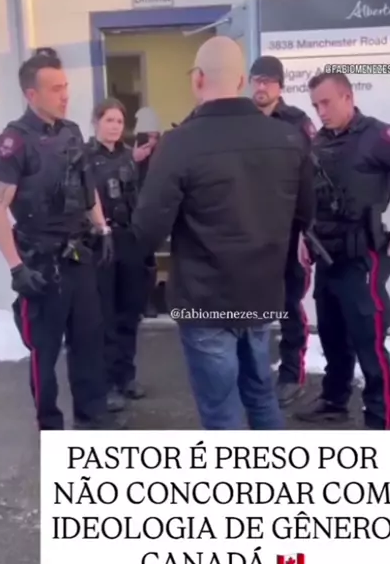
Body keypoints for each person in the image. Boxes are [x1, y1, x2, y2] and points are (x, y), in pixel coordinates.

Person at [132, 36, 315, 430]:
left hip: (205, 298)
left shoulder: (179, 144)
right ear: (241, 81)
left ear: (198, 78)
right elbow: (306, 213)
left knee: (220, 411)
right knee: (261, 395)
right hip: (261, 292)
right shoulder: (287, 139)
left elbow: (147, 229)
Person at [295, 72, 390, 430]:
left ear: (348, 97)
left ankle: (378, 421)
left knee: (369, 343)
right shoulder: (319, 141)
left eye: (326, 102)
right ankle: (334, 402)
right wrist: (302, 237)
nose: (320, 111)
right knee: (332, 336)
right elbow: (310, 196)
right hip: (326, 255)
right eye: (315, 105)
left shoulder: (378, 135)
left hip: (363, 257)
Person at [0, 48, 120, 431]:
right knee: (43, 353)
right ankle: (51, 427)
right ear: (32, 94)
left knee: (88, 342)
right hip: (41, 266)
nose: (65, 95)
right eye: (56, 89)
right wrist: (16, 268)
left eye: (66, 87)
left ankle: (92, 418)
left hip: (78, 256)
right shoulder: (13, 142)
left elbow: (86, 188)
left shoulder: (71, 131)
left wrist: (102, 228)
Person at [249, 55, 317, 407]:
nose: (261, 87)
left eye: (268, 81)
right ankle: (253, 373)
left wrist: (307, 231)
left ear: (280, 86)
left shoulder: (297, 122)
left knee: (290, 302)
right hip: (250, 227)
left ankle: (291, 374)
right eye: (256, 80)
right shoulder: (241, 120)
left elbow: (313, 176)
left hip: (290, 228)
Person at [86, 98, 147, 409]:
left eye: (119, 121)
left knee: (129, 311)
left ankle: (126, 375)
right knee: (104, 314)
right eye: (109, 120)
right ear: (96, 121)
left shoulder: (129, 156)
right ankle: (107, 382)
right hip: (100, 243)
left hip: (128, 241)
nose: (114, 126)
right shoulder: (84, 157)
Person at [131, 107, 163, 317]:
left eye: (155, 137)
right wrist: (134, 160)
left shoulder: (163, 155)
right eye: (147, 136)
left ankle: (149, 301)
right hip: (130, 212)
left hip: (151, 213)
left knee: (148, 260)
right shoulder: (127, 155)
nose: (151, 141)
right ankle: (137, 303)